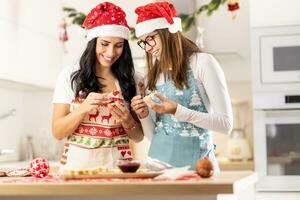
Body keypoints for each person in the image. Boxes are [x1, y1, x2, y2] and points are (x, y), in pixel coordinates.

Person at [131, 2, 233, 173]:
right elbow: (154, 136)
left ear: (168, 31)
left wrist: (177, 110)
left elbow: (225, 124)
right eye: (143, 42)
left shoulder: (203, 63)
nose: (148, 48)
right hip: (158, 168)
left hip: (198, 167)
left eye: (151, 38)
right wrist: (143, 115)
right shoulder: (152, 76)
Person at [52, 2, 144, 171]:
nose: (111, 53)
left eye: (118, 45)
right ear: (93, 41)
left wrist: (127, 119)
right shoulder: (70, 76)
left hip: (119, 170)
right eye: (104, 43)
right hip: (76, 171)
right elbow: (58, 132)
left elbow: (138, 137)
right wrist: (83, 108)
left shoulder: (133, 79)